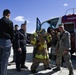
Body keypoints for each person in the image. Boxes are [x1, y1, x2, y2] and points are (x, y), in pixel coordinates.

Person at [0, 9, 14, 75]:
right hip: (6, 42)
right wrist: (12, 40)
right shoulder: (10, 22)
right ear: (8, 14)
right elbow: (12, 33)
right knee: (4, 61)